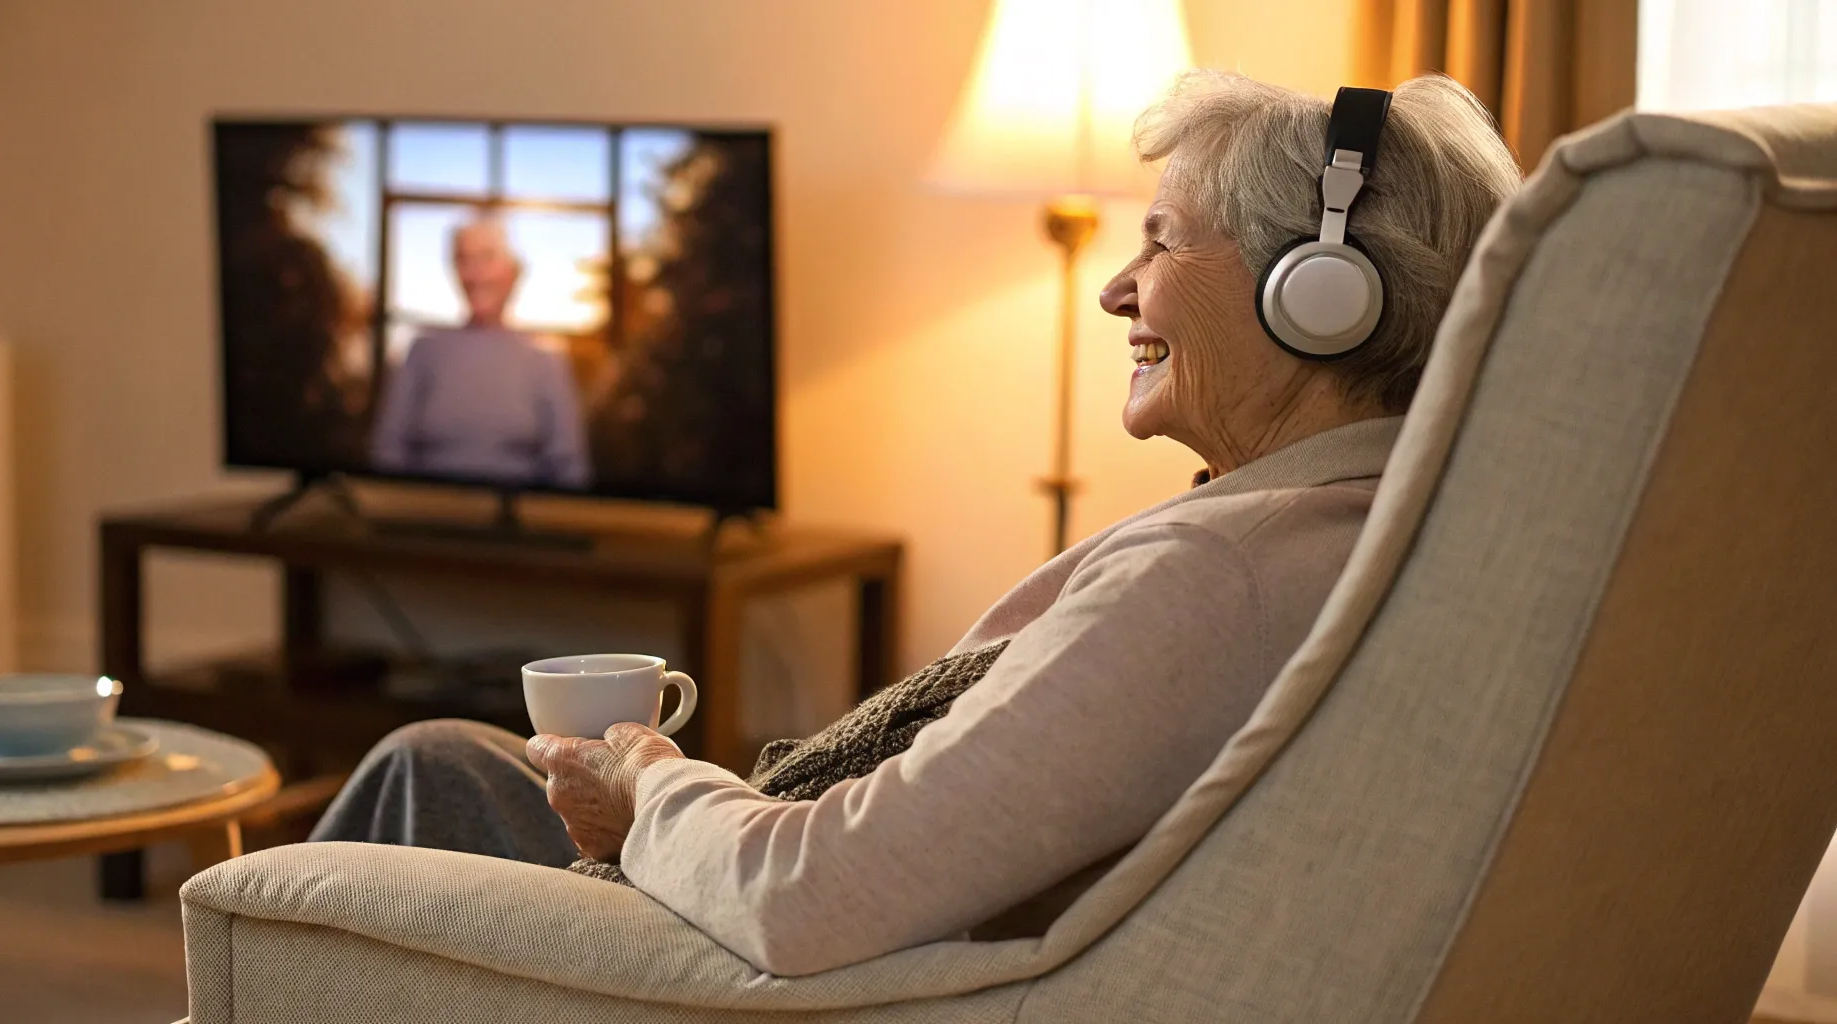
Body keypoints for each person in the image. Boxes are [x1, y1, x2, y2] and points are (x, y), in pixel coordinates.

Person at [312, 71, 1522, 976]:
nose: (1113, 287)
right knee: (438, 763)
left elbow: (814, 896)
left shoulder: (1220, 577)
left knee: (396, 796)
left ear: (1316, 296)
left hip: (750, 981)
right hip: (836, 926)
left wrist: (649, 782)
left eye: (1158, 241)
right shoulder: (1345, 527)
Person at [369, 217, 592, 488]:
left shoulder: (546, 359)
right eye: (463, 260)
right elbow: (386, 453)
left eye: (487, 257)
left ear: (514, 270)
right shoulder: (422, 352)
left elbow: (570, 468)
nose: (474, 274)